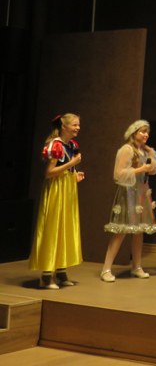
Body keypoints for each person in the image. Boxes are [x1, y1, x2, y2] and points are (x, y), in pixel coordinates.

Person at [29, 114, 85, 289]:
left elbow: (66, 169)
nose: (77, 128)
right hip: (56, 190)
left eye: (78, 125)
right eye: (74, 125)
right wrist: (71, 164)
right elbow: (49, 173)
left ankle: (61, 271)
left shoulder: (72, 145)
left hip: (67, 189)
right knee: (53, 228)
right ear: (64, 126)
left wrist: (74, 175)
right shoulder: (56, 145)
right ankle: (47, 275)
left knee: (65, 228)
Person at [101, 120, 156, 282]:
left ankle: (137, 266)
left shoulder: (144, 150)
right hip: (129, 192)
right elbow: (118, 174)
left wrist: (150, 153)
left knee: (139, 231)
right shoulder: (127, 150)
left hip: (141, 192)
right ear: (134, 133)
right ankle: (106, 269)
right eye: (142, 132)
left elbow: (155, 169)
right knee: (121, 231)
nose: (146, 135)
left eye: (147, 132)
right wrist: (140, 169)